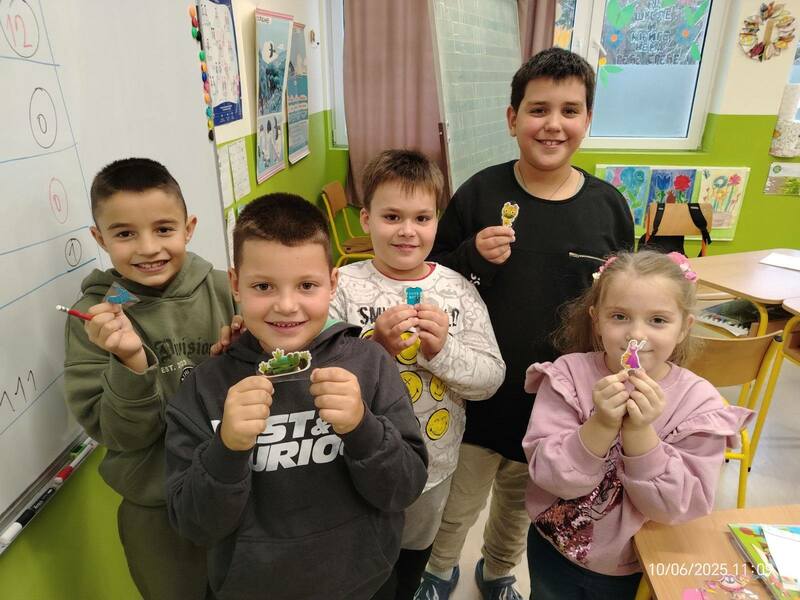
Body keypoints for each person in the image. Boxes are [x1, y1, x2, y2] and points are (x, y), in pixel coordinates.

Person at [417, 48, 634, 600]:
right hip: (476, 392)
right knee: (458, 501)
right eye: (538, 109)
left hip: (558, 405)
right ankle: (438, 571)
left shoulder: (609, 207)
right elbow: (431, 273)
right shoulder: (480, 193)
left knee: (522, 503)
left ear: (587, 119)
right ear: (512, 118)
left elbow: (621, 301)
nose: (553, 124)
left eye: (569, 110)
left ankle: (497, 572)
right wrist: (471, 255)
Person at [164, 193, 428, 600]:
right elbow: (193, 525)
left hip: (365, 582)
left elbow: (405, 488)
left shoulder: (370, 364)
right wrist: (227, 448)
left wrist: (363, 428)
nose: (286, 306)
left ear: (332, 283)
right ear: (235, 284)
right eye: (263, 286)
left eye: (307, 285)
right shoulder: (205, 388)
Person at [523, 251, 753, 600]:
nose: (636, 335)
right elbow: (550, 476)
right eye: (619, 316)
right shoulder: (567, 376)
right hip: (554, 549)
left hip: (637, 565)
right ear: (596, 320)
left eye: (658, 320)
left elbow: (678, 507)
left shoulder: (699, 404)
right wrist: (601, 424)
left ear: (684, 327)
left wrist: (640, 434)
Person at [330, 150, 505, 599]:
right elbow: (318, 374)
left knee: (409, 564)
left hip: (432, 467)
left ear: (436, 221)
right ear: (366, 218)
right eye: (392, 216)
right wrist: (375, 347)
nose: (407, 230)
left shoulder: (458, 289)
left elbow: (490, 379)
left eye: (422, 218)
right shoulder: (341, 286)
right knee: (356, 568)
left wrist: (442, 351)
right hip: (350, 467)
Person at [63, 157, 235, 599]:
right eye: (124, 234)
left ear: (189, 228)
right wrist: (131, 364)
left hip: (243, 489)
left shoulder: (227, 289)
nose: (147, 248)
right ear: (100, 239)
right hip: (157, 509)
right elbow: (121, 435)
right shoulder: (96, 318)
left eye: (163, 229)